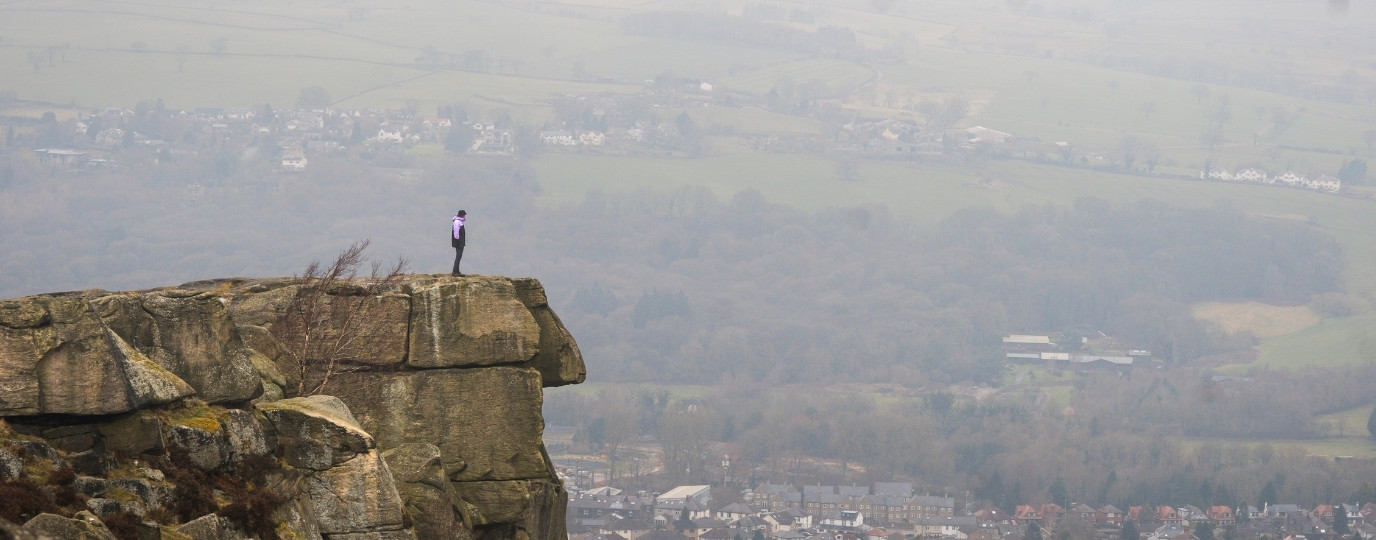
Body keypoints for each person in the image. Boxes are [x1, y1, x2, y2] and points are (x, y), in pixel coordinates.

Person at [450, 210, 466, 276]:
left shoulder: (459, 221)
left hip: (460, 241)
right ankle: (455, 271)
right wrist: (459, 240)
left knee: (459, 256)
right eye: (464, 215)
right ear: (462, 215)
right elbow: (456, 232)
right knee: (458, 256)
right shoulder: (457, 222)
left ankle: (457, 270)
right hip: (459, 242)